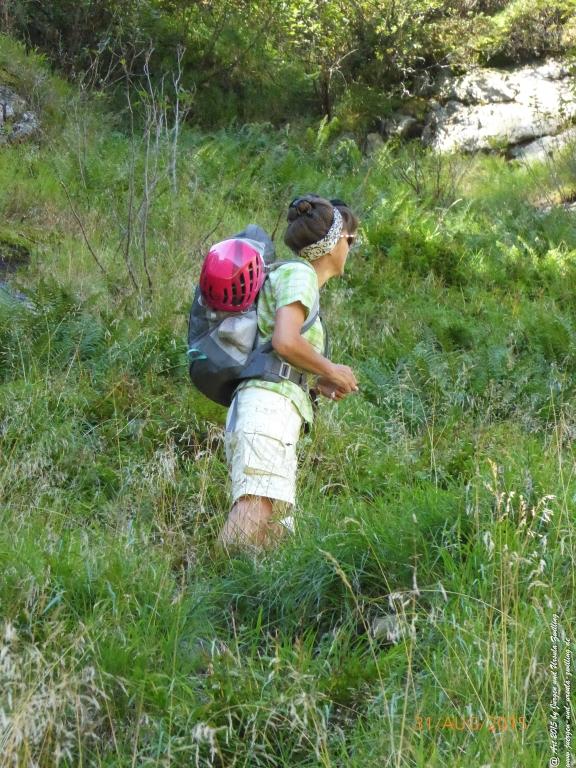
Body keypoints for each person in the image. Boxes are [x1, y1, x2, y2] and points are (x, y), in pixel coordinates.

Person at [218, 194, 359, 551]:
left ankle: (240, 603)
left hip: (270, 407)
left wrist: (316, 382)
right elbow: (284, 341)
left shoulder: (296, 278)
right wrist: (332, 369)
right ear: (334, 243)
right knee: (253, 513)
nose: (352, 247)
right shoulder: (300, 274)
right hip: (268, 410)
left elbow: (279, 349)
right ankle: (201, 593)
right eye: (351, 240)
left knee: (273, 533)